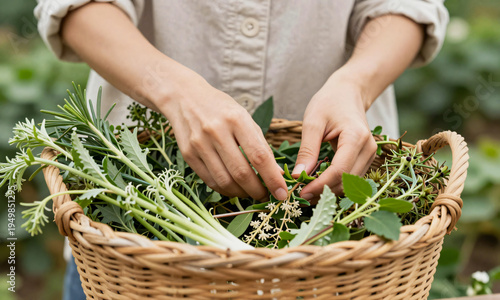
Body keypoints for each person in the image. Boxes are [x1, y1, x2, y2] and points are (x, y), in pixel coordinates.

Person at [35, 1, 449, 299]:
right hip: (132, 267)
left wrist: (356, 84)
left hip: (346, 262)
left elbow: (408, 8)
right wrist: (175, 93)